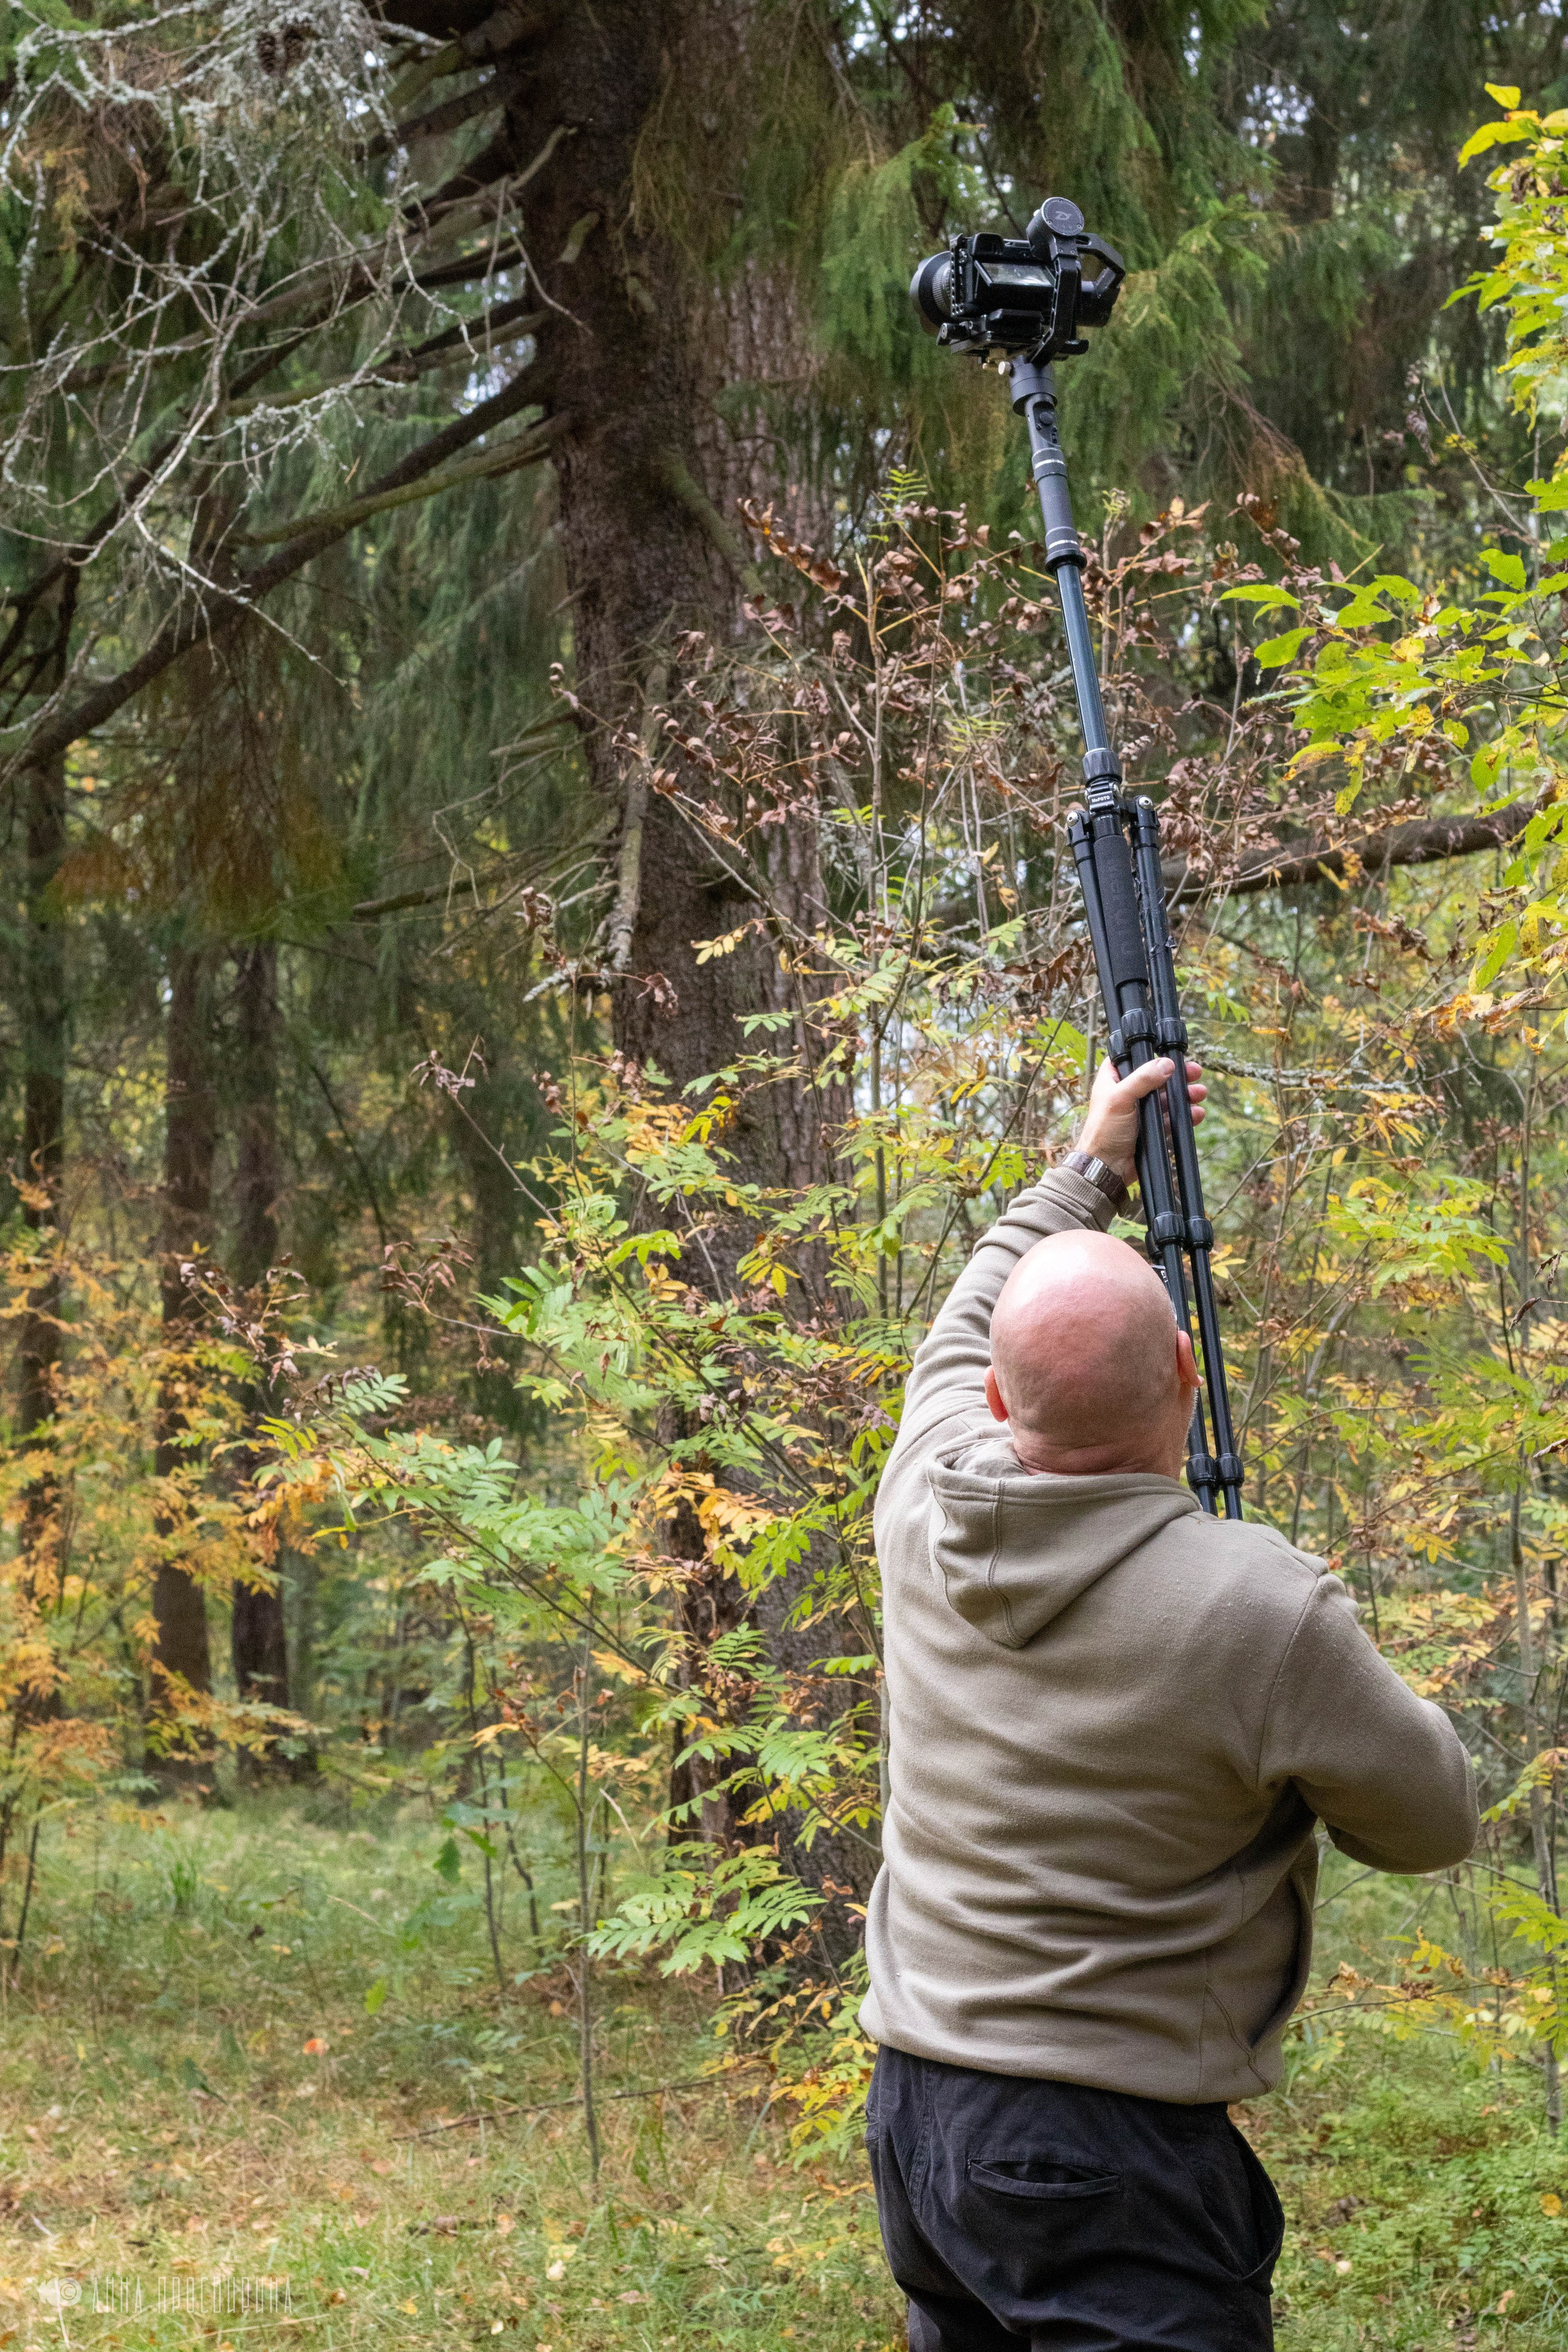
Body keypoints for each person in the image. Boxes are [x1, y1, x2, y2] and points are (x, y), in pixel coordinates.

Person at [861, 1052, 1478, 2352]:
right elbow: (1432, 1825)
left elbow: (964, 1315)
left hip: (917, 2116)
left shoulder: (920, 1495)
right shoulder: (1256, 1609)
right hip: (1105, 2152)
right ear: (1185, 1377)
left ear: (991, 1397)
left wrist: (1089, 1167)